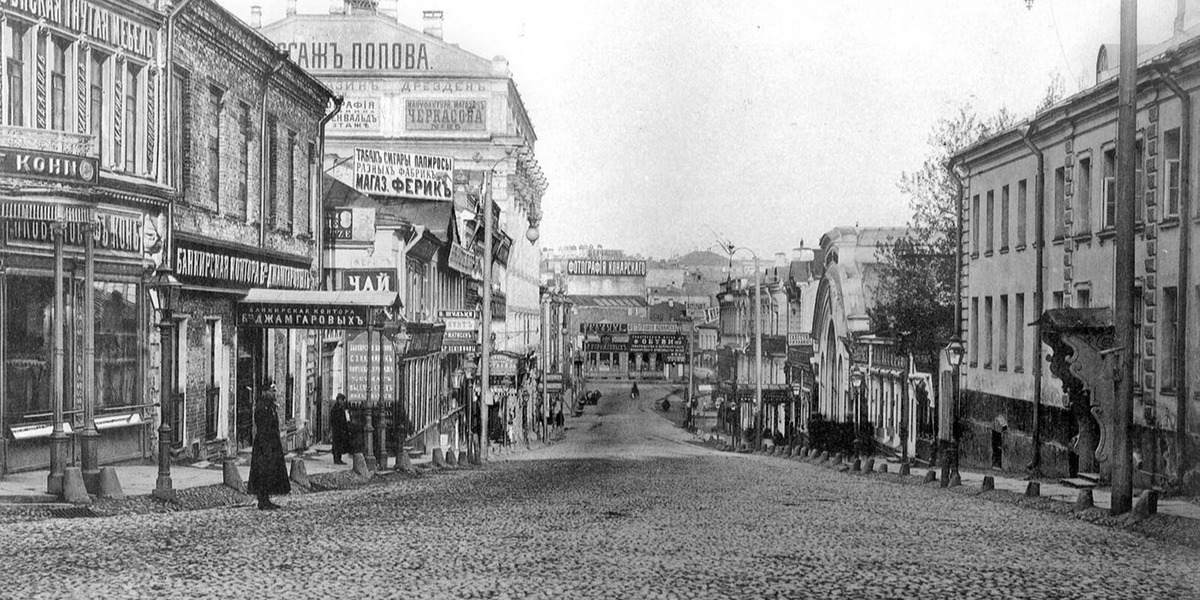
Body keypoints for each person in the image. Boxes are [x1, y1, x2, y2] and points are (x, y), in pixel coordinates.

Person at [248, 378, 290, 510]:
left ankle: (266, 499)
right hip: (264, 445)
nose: (275, 393)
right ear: (265, 392)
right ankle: (262, 500)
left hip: (271, 444)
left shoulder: (270, 406)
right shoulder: (262, 406)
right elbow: (263, 427)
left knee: (269, 473)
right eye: (272, 391)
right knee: (262, 473)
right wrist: (267, 446)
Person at [329, 393, 352, 465]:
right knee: (337, 445)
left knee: (340, 445)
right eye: (341, 400)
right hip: (337, 430)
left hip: (340, 430)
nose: (342, 401)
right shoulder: (335, 409)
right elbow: (333, 419)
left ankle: (339, 459)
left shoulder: (340, 408)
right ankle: (336, 459)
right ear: (338, 400)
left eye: (342, 400)